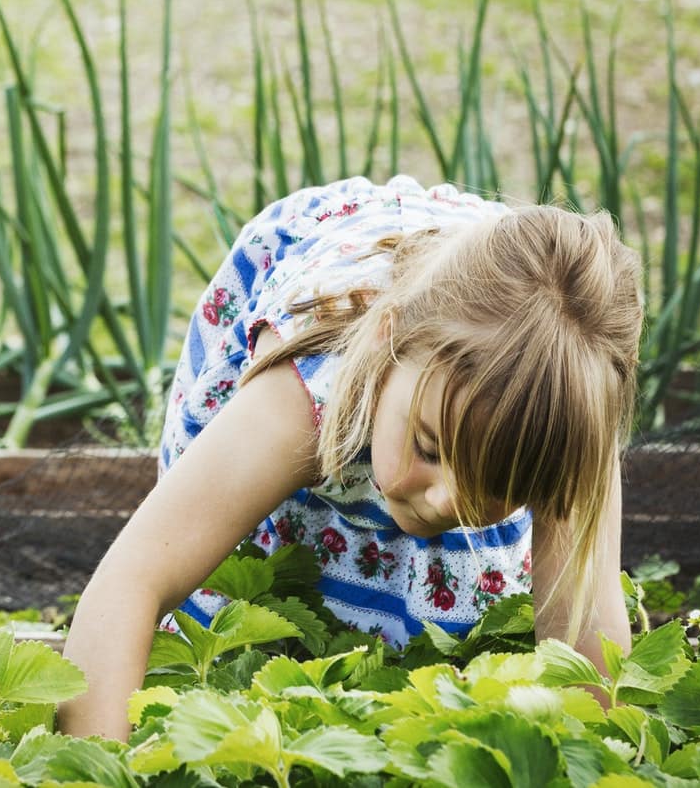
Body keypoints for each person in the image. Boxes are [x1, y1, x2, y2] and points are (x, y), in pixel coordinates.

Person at [58, 174, 641, 741]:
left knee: (465, 610)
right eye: (430, 449)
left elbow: (586, 649)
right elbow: (131, 581)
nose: (448, 500)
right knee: (235, 590)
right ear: (389, 342)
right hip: (338, 313)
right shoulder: (301, 395)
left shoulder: (567, 405)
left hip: (520, 325)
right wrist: (101, 763)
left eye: (499, 481)